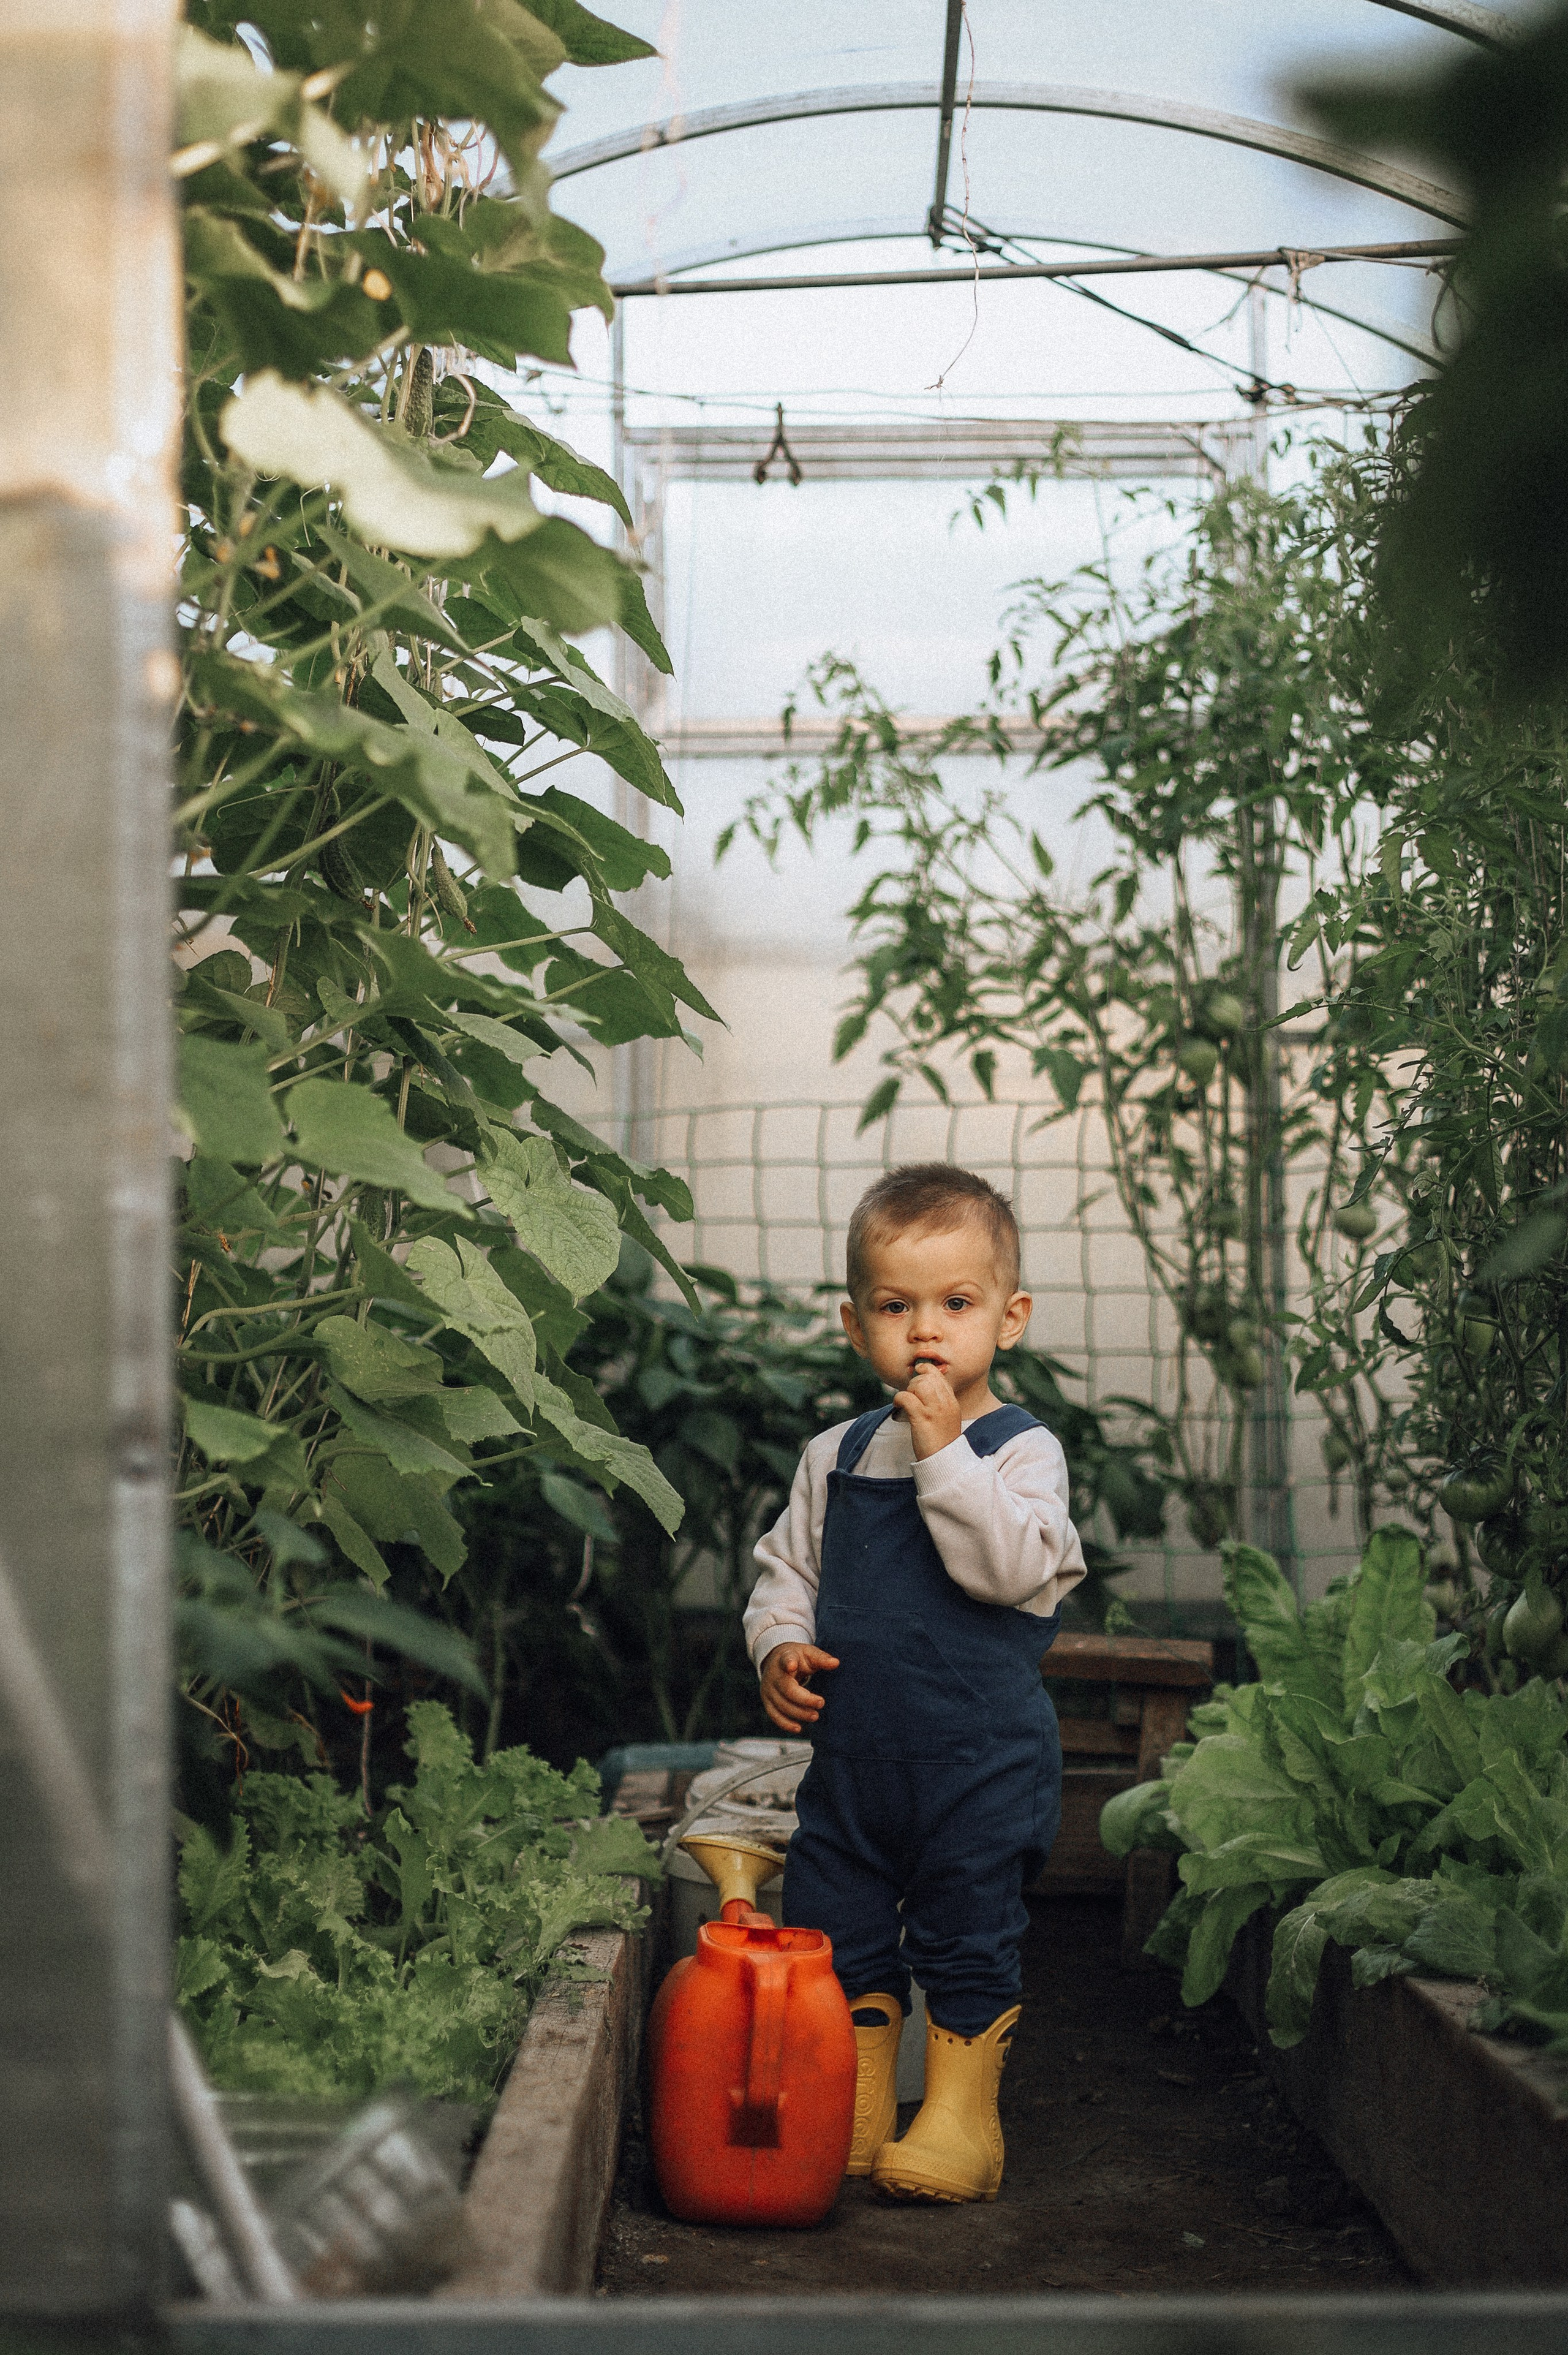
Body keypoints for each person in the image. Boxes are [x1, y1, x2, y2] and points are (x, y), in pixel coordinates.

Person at [744, 1162, 1086, 2205]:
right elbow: (784, 1571)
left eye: (956, 1305)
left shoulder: (1022, 1453)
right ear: (858, 1327)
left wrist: (946, 1455)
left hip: (978, 1765)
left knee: (964, 1928)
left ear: (1009, 1318)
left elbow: (1012, 1570)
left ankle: (960, 2119)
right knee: (837, 1923)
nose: (926, 1331)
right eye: (897, 1308)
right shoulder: (837, 1456)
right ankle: (855, 2106)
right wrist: (778, 1645)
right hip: (853, 1765)